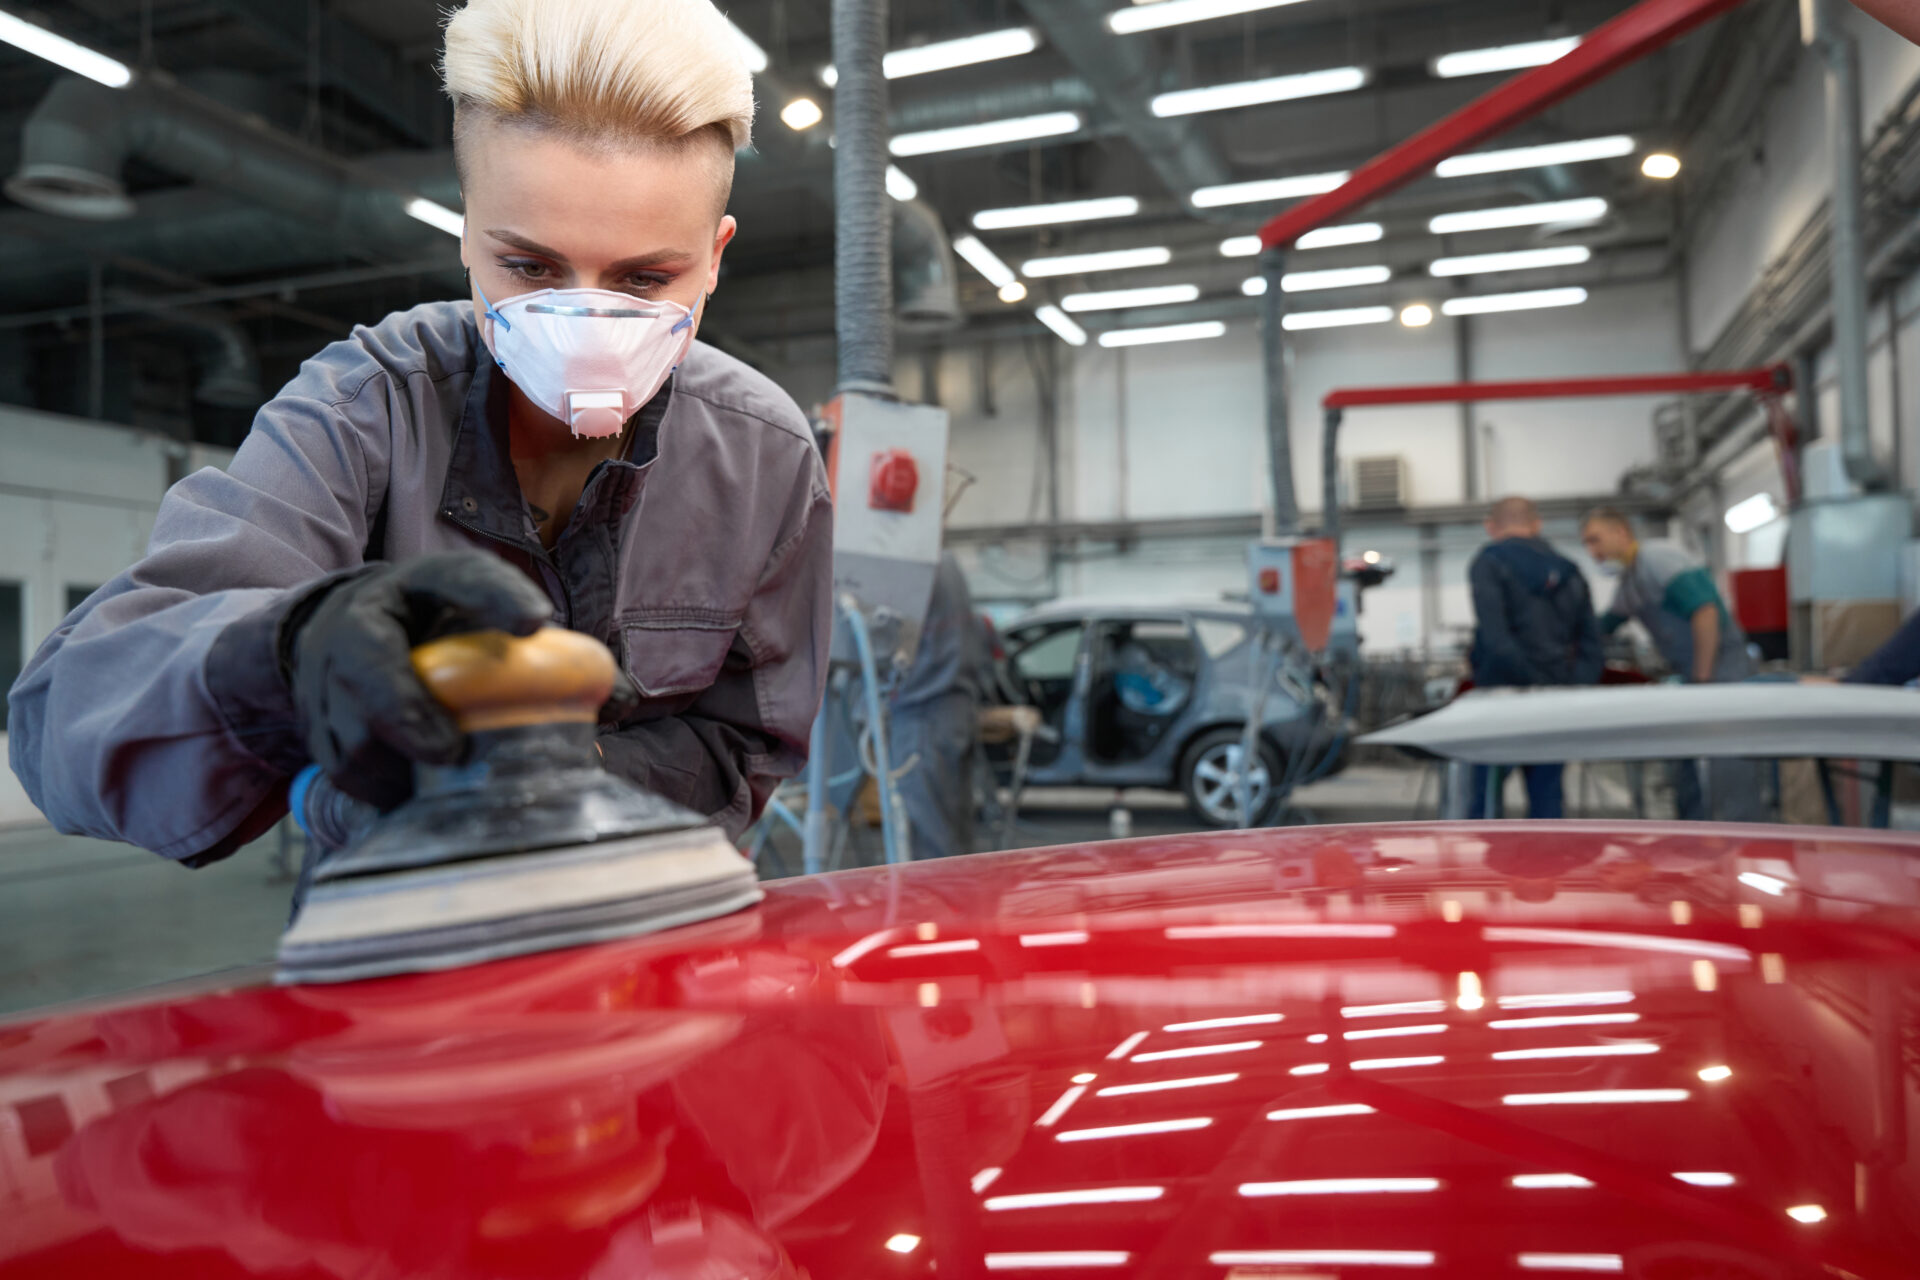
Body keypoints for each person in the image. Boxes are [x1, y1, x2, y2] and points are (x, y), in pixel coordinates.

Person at [7, 0, 831, 868]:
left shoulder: (765, 459)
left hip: (662, 940)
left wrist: (561, 767)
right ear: (467, 235)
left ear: (714, 257)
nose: (586, 326)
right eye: (530, 266)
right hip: (392, 953)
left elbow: (747, 749)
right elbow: (63, 728)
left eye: (644, 279)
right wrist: (284, 655)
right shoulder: (359, 411)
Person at [1580, 507, 1757, 821]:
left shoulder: (1658, 559)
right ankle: (1694, 835)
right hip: (1690, 676)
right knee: (1681, 756)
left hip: (1721, 671)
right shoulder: (1630, 583)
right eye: (1587, 545)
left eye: (1596, 540)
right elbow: (1604, 626)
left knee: (1728, 761)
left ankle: (1738, 836)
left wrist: (1702, 679)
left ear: (1621, 531)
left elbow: (1705, 611)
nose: (1593, 552)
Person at [1466, 496, 1603, 819]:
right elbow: (1592, 645)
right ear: (1537, 524)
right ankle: (1550, 865)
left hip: (1499, 699)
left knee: (1485, 801)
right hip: (1556, 701)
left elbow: (1496, 639)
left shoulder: (1488, 563)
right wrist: (1569, 687)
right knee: (1547, 799)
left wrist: (1530, 681)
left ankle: (1483, 869)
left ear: (1491, 527)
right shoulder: (1571, 570)